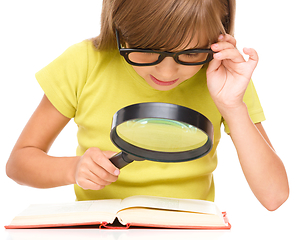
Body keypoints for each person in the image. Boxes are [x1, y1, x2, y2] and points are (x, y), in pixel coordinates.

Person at [6, 0, 289, 211]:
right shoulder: (84, 63)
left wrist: (233, 106)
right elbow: (19, 163)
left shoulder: (226, 76)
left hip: (189, 230)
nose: (166, 74)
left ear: (219, 36)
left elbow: (274, 195)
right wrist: (74, 168)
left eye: (190, 53)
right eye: (146, 49)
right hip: (100, 229)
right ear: (119, 27)